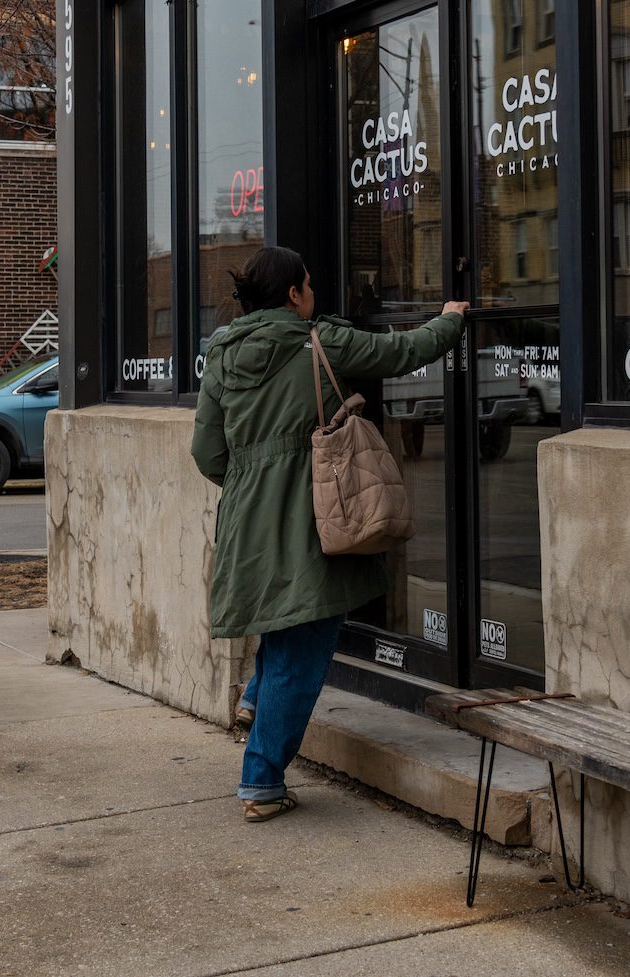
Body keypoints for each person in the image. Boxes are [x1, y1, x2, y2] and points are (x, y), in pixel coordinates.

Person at [191, 245, 467, 822]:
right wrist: (452, 318)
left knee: (282, 619)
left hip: (247, 514)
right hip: (309, 515)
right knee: (305, 640)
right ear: (293, 294)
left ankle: (254, 699)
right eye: (309, 285)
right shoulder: (316, 340)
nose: (313, 295)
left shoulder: (220, 355)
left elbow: (207, 452)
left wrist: (250, 479)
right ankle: (262, 782)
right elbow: (402, 351)